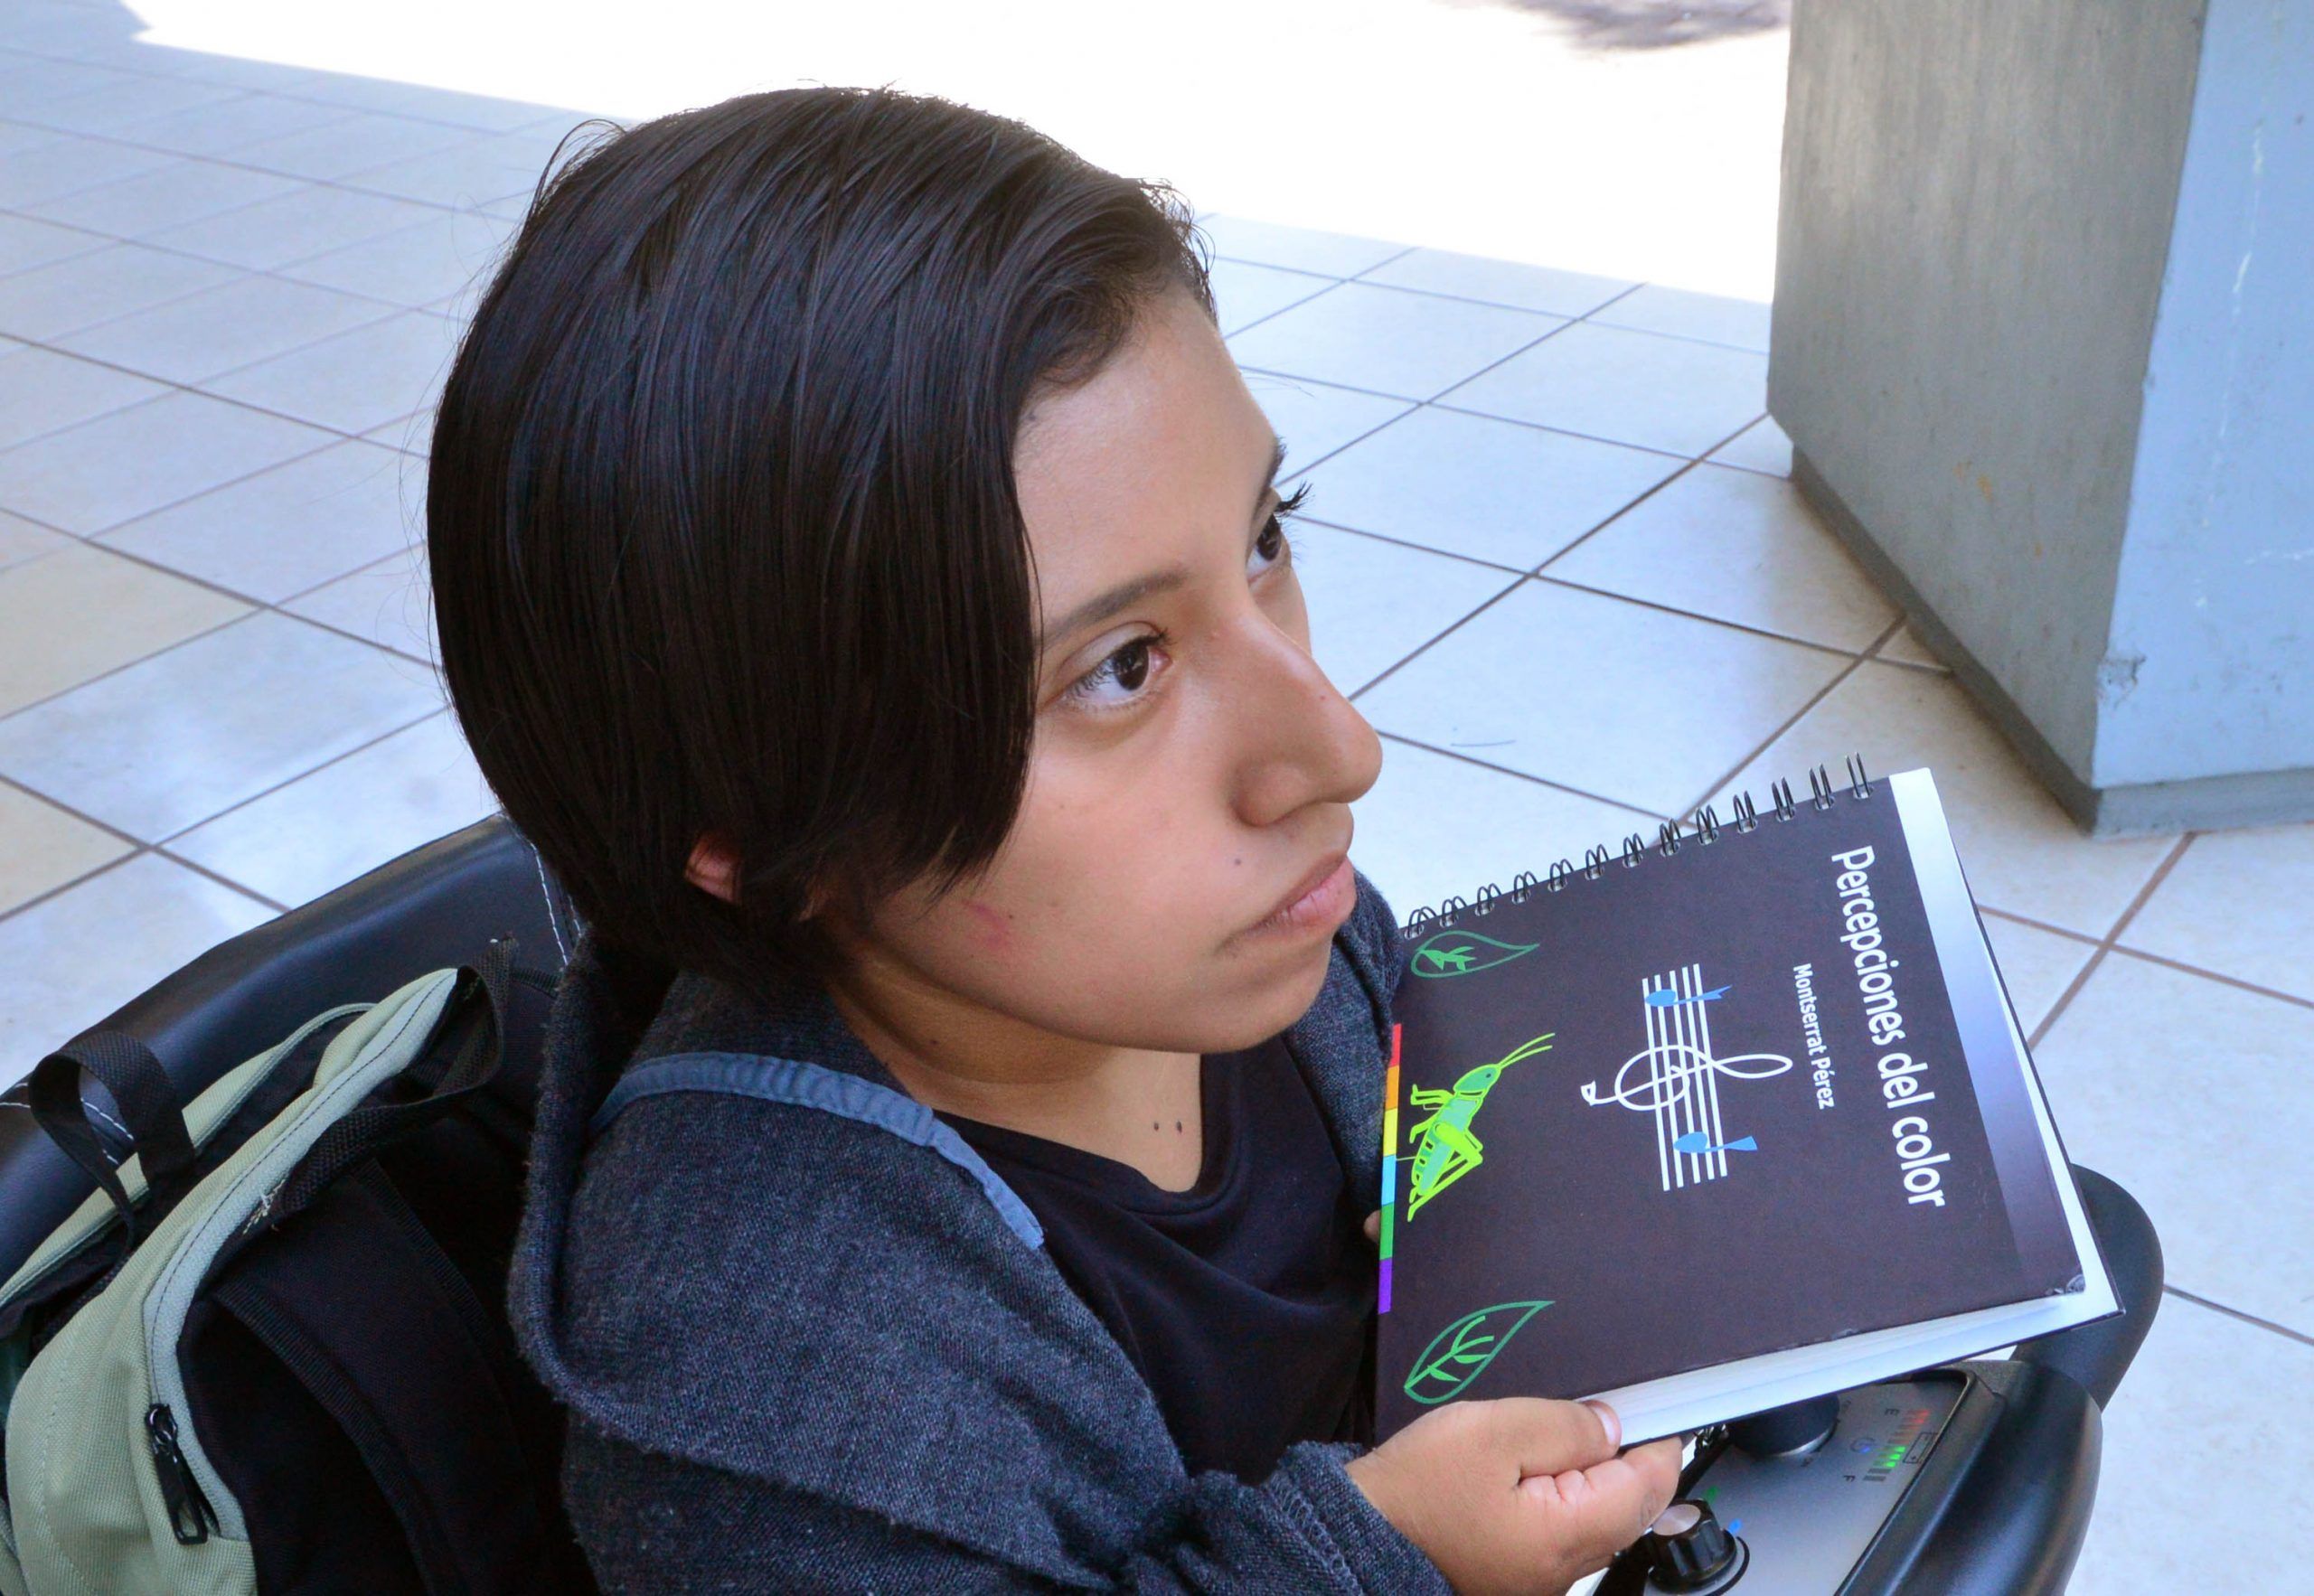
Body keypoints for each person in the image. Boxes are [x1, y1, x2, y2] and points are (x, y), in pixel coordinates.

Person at [427, 82, 1683, 1594]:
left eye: (1264, 538)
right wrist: (1381, 1564)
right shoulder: (761, 1406)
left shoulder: (1272, 937)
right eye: (1121, 666)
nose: (1338, 750)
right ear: (764, 835)